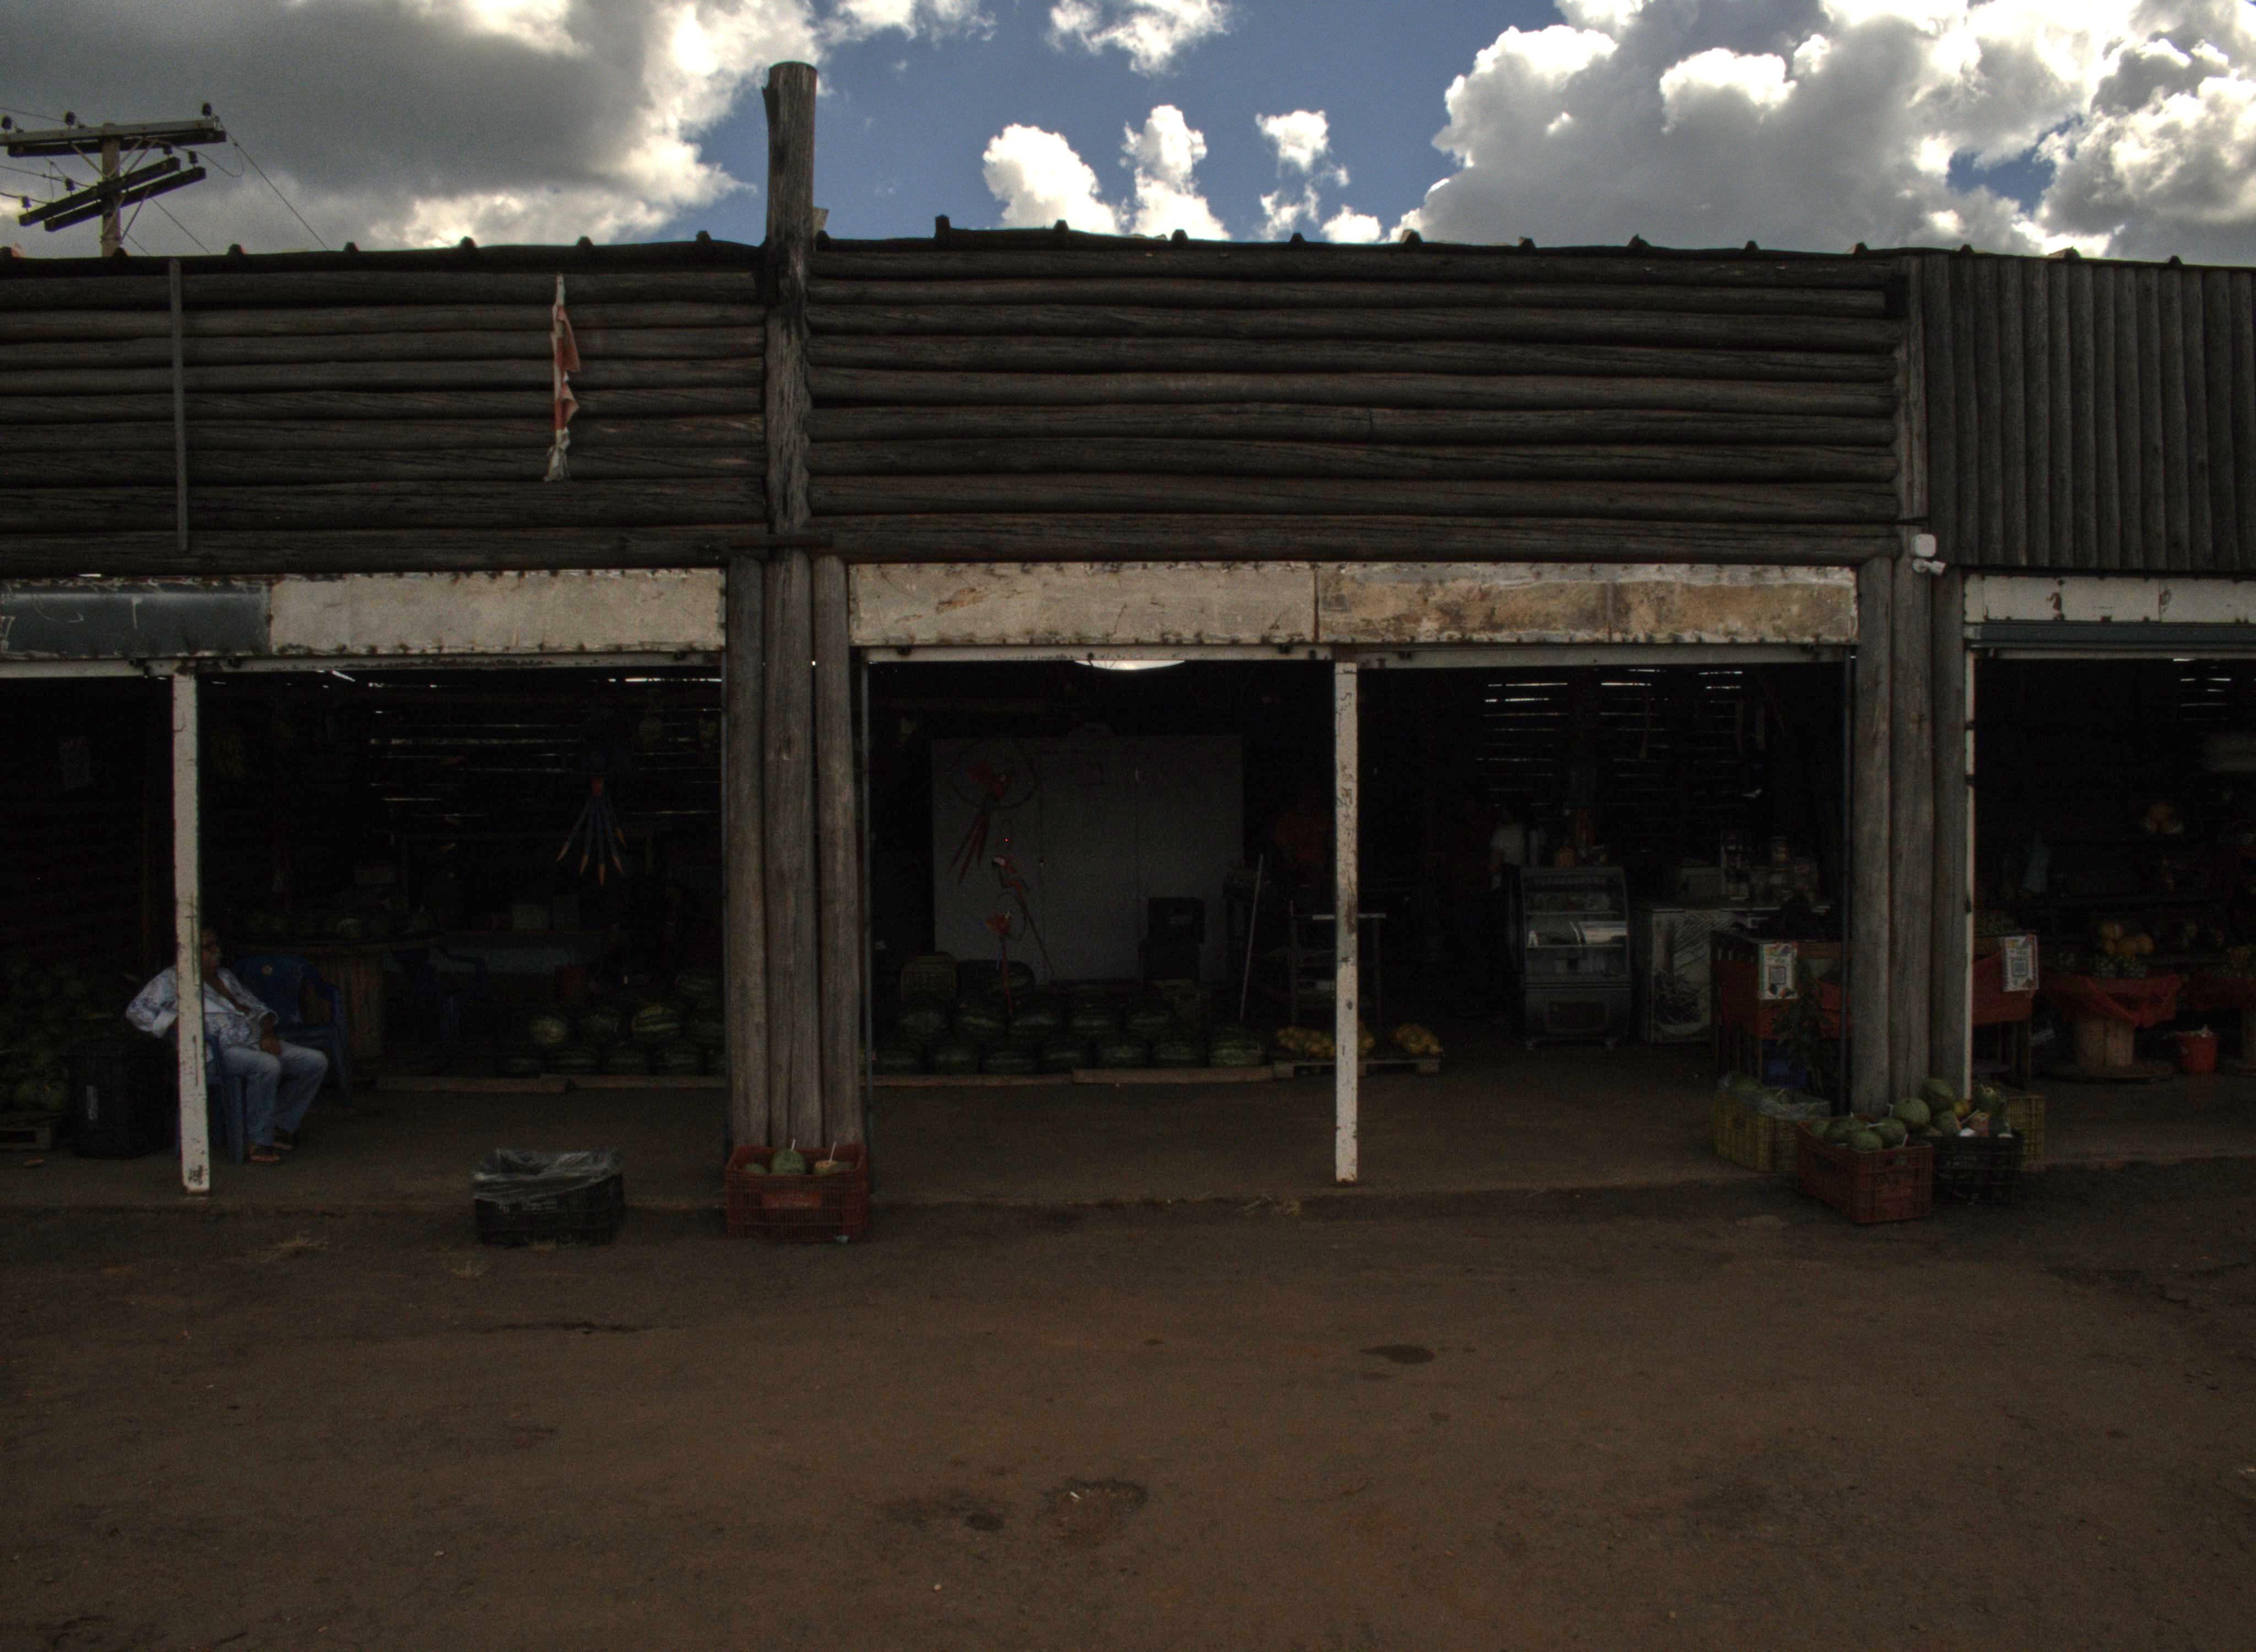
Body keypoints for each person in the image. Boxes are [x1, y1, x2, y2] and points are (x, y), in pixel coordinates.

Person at [126, 928, 327, 1164]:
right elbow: (137, 1011)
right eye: (208, 947)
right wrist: (176, 1023)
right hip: (216, 1051)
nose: (217, 952)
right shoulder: (171, 980)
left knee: (314, 1062)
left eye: (216, 946)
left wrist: (268, 1032)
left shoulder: (226, 977)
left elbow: (259, 1009)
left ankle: (279, 1126)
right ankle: (257, 1140)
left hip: (253, 1042)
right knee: (267, 1066)